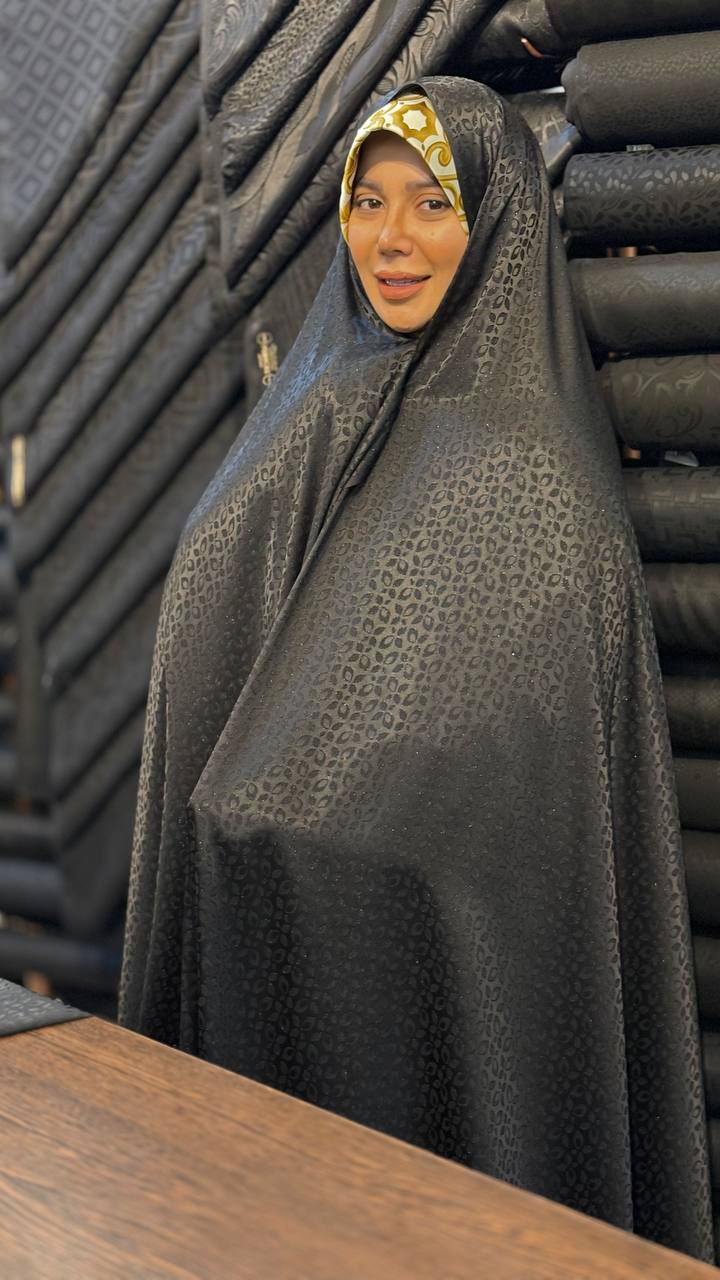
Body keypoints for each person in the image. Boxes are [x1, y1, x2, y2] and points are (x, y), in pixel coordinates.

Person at [120, 78, 713, 1260]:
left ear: (496, 221)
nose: (391, 239)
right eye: (368, 200)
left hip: (408, 1003)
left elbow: (485, 843)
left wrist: (272, 812)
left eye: (432, 202)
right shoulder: (305, 417)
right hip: (250, 958)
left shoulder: (540, 493)